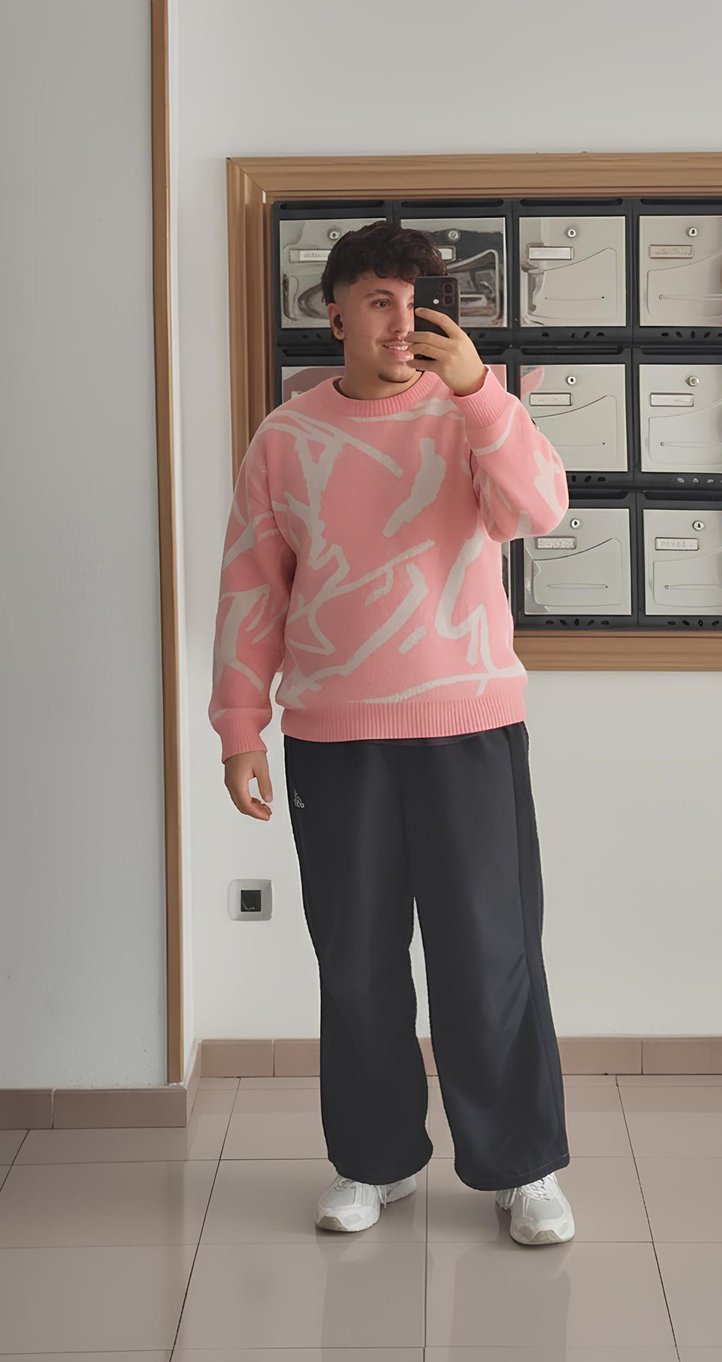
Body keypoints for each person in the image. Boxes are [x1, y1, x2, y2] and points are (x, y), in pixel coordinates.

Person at [208, 220, 576, 1244]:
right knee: (358, 962)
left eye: (418, 303)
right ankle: (373, 1162)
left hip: (470, 728)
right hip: (334, 737)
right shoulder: (286, 437)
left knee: (490, 955)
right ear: (333, 313)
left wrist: (480, 393)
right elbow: (250, 587)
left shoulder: (474, 413)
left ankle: (523, 1165)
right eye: (379, 300)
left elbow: (541, 509)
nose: (402, 322)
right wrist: (239, 726)